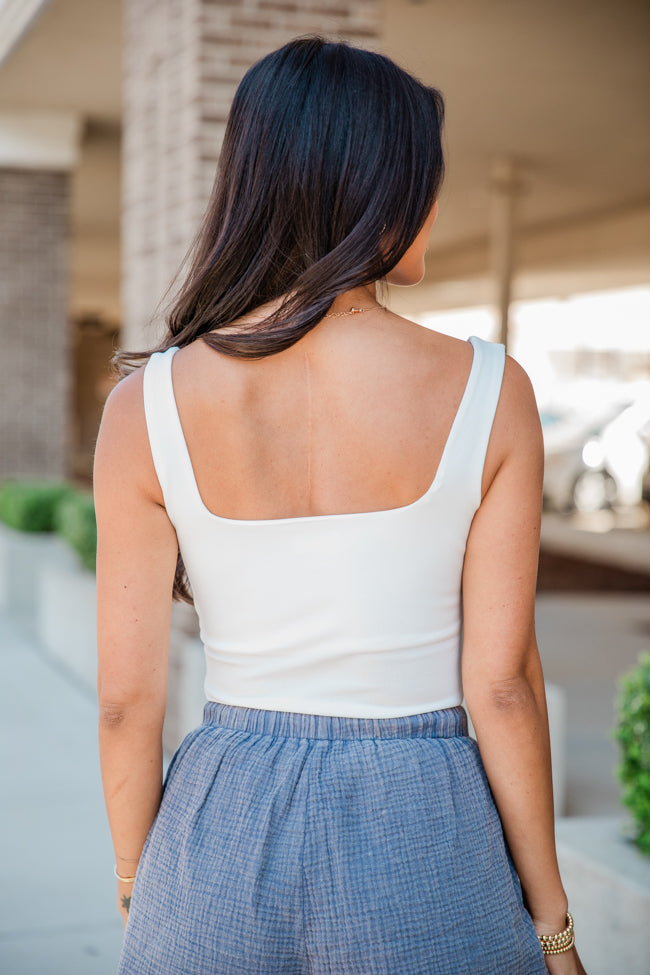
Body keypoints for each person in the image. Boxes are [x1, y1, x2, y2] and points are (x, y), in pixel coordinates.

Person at [94, 36, 587, 975]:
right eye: (426, 177)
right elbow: (503, 685)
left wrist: (137, 879)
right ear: (381, 189)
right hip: (426, 825)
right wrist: (554, 928)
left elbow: (127, 702)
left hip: (218, 825)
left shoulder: (146, 406)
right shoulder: (490, 389)